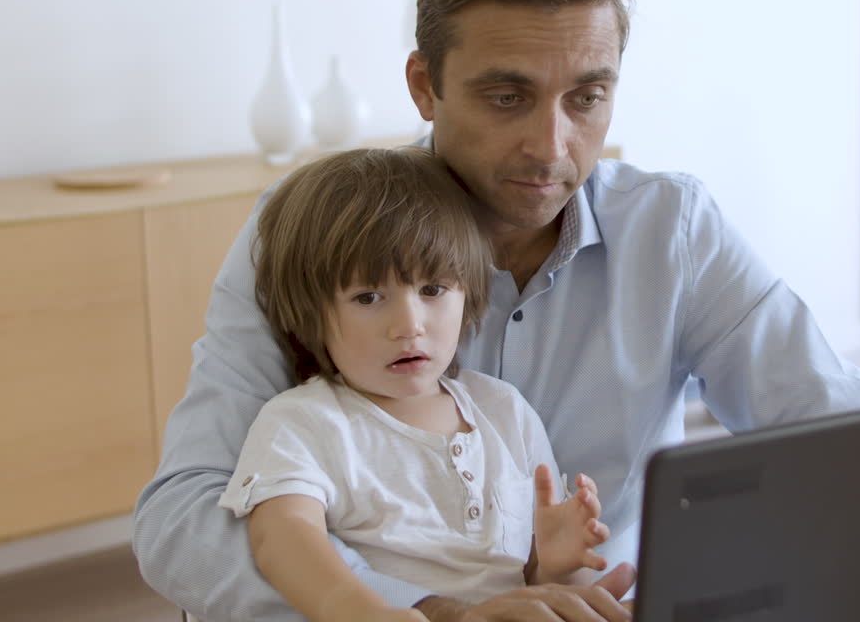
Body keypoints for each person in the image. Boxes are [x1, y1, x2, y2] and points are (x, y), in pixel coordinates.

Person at [134, 0, 860, 622]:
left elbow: (843, 441)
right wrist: (427, 611)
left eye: (587, 97)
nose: (552, 146)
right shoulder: (310, 231)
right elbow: (181, 520)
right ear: (425, 86)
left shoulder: (672, 231)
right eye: (506, 96)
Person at [219, 147, 612, 621]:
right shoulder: (304, 422)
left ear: (469, 296)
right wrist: (360, 611)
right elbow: (281, 536)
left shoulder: (504, 410)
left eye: (432, 290)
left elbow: (538, 592)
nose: (409, 325)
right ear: (312, 318)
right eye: (368, 297)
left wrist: (560, 566)